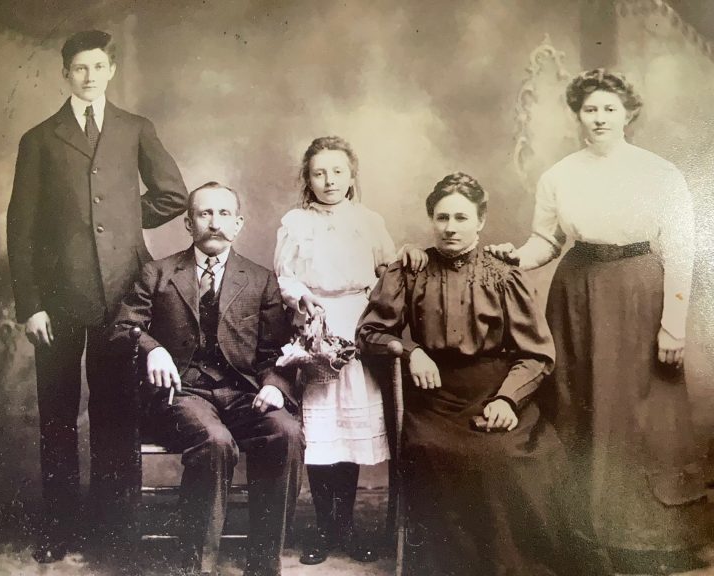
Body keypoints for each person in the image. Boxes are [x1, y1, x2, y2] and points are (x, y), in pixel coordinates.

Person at [486, 69, 711, 574]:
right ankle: (585, 537)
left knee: (642, 412)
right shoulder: (560, 175)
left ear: (628, 113)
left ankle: (651, 541)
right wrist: (515, 257)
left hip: (640, 292)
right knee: (578, 405)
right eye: (590, 109)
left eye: (610, 108)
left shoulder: (660, 173)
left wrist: (673, 324)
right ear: (578, 115)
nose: (600, 118)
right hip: (578, 294)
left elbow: (682, 250)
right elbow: (546, 241)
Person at [6, 30, 188, 563]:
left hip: (122, 295)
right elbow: (21, 228)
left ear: (111, 70)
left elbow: (173, 195)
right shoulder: (39, 138)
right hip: (57, 298)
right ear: (66, 73)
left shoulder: (135, 128)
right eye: (79, 68)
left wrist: (124, 223)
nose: (89, 76)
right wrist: (31, 305)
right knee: (57, 414)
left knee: (116, 413)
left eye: (98, 67)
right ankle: (58, 529)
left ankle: (113, 532)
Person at [356, 172, 576, 576]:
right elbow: (369, 333)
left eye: (461, 217)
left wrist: (508, 399)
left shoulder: (503, 274)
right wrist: (411, 351)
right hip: (433, 398)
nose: (450, 228)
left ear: (480, 220)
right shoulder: (410, 270)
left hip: (495, 389)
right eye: (442, 217)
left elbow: (536, 352)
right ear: (431, 219)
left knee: (504, 456)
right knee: (437, 453)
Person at [111, 182, 303, 576]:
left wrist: (274, 385)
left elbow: (276, 351)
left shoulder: (261, 279)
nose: (214, 223)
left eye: (223, 214)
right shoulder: (158, 273)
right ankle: (195, 568)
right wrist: (152, 348)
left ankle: (263, 566)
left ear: (238, 223)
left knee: (286, 433)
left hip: (243, 393)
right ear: (188, 223)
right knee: (215, 442)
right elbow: (122, 328)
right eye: (204, 213)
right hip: (183, 394)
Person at [273, 136, 425, 564]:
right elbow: (284, 276)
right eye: (319, 173)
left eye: (338, 171)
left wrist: (406, 255)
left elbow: (388, 270)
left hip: (359, 326)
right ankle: (325, 528)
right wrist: (301, 297)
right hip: (316, 326)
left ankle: (347, 526)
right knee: (323, 429)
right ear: (307, 179)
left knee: (348, 430)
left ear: (352, 176)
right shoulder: (295, 223)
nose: (329, 180)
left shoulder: (369, 221)